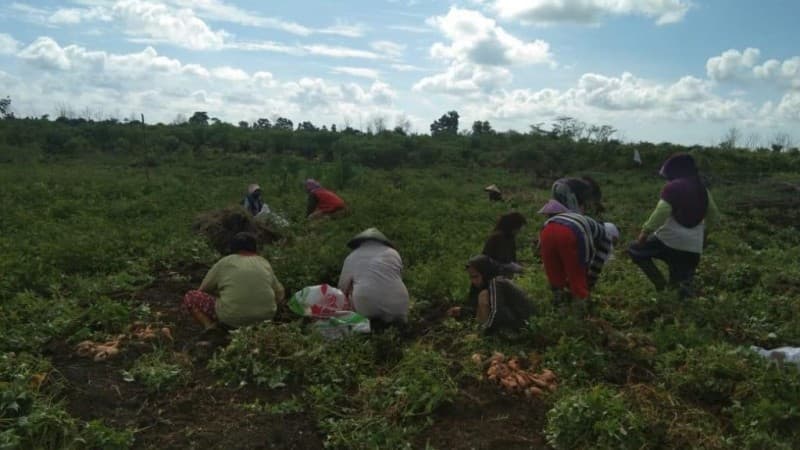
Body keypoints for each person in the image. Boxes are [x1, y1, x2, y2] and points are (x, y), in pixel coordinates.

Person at [628, 153, 720, 298]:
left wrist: (645, 233)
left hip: (668, 242)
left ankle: (660, 284)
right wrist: (704, 235)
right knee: (681, 288)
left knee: (635, 249)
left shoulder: (672, 188)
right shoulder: (703, 190)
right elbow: (714, 217)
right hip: (692, 248)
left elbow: (662, 211)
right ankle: (683, 309)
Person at [182, 232, 285, 332]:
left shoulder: (225, 262)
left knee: (191, 297)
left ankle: (210, 326)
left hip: (231, 319)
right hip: (265, 319)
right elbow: (280, 293)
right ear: (255, 248)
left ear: (232, 248)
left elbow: (203, 289)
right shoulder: (263, 262)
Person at [538, 200, 614, 307]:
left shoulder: (560, 219)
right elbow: (594, 265)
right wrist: (588, 283)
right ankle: (581, 304)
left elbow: (542, 248)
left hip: (546, 232)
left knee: (553, 269)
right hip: (570, 232)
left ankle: (558, 298)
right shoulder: (606, 238)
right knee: (577, 270)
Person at [338, 228, 409, 324]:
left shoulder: (351, 257)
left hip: (367, 310)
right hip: (399, 308)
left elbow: (342, 289)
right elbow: (400, 276)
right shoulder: (394, 253)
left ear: (359, 243)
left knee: (350, 289)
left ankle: (364, 322)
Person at [447, 255, 535, 333]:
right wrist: (462, 311)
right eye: (471, 277)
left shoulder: (496, 282)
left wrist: (483, 333)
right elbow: (479, 309)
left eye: (475, 276)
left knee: (483, 295)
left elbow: (496, 311)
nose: (473, 281)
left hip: (522, 323)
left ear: (485, 272)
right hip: (515, 319)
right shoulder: (490, 283)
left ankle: (486, 333)